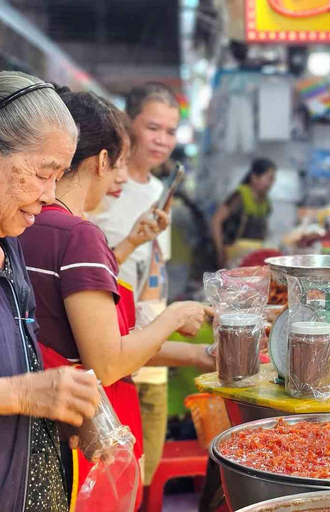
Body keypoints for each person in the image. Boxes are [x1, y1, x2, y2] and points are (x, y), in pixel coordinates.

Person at [19, 89, 214, 508]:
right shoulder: (78, 235)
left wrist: (197, 357)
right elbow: (107, 361)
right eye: (119, 163)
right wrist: (176, 314)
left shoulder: (25, 224)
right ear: (101, 161)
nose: (120, 179)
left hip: (40, 435)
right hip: (89, 438)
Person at [0, 71, 101, 512]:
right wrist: (23, 395)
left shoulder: (11, 247)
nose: (50, 195)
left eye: (59, 175)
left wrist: (59, 409)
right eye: (43, 173)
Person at [88, 81, 183, 488]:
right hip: (107, 353)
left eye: (171, 131)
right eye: (153, 128)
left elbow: (154, 272)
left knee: (142, 476)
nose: (162, 141)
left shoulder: (163, 191)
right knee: (110, 482)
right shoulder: (104, 188)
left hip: (150, 354)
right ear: (129, 123)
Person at [210, 158, 276, 267]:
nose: (271, 183)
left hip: (254, 256)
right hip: (235, 256)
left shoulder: (265, 202)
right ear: (254, 178)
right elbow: (216, 222)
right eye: (268, 178)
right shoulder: (239, 197)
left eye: (272, 179)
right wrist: (220, 251)